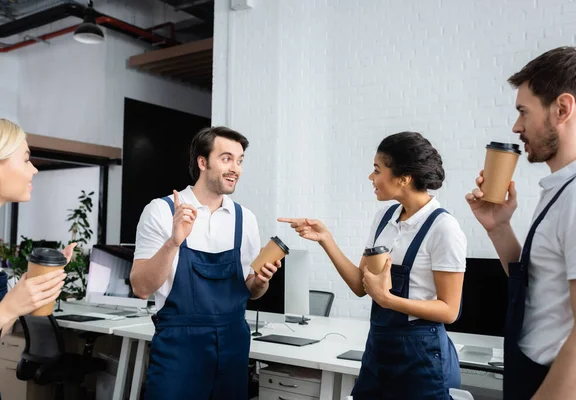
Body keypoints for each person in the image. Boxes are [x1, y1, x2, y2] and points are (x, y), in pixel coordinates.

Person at [280, 131, 466, 400]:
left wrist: (387, 300)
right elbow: (359, 285)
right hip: (379, 349)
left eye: (377, 170)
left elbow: (449, 310)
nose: (371, 178)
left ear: (403, 178)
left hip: (421, 357)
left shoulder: (444, 228)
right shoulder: (385, 218)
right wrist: (325, 239)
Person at [131, 126, 281, 400]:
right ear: (202, 162)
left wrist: (260, 281)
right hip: (179, 350)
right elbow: (141, 287)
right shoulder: (161, 212)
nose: (235, 168)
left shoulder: (245, 219)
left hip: (233, 346)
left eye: (240, 160)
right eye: (226, 158)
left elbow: (251, 291)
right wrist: (173, 242)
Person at [466, 46, 576, 400]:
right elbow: (539, 282)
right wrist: (498, 226)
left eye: (523, 112)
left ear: (562, 109)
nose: (516, 127)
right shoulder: (560, 189)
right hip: (528, 372)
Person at [0, 115, 74, 400]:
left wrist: (31, 290)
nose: (34, 170)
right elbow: (0, 315)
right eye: (26, 159)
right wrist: (8, 307)